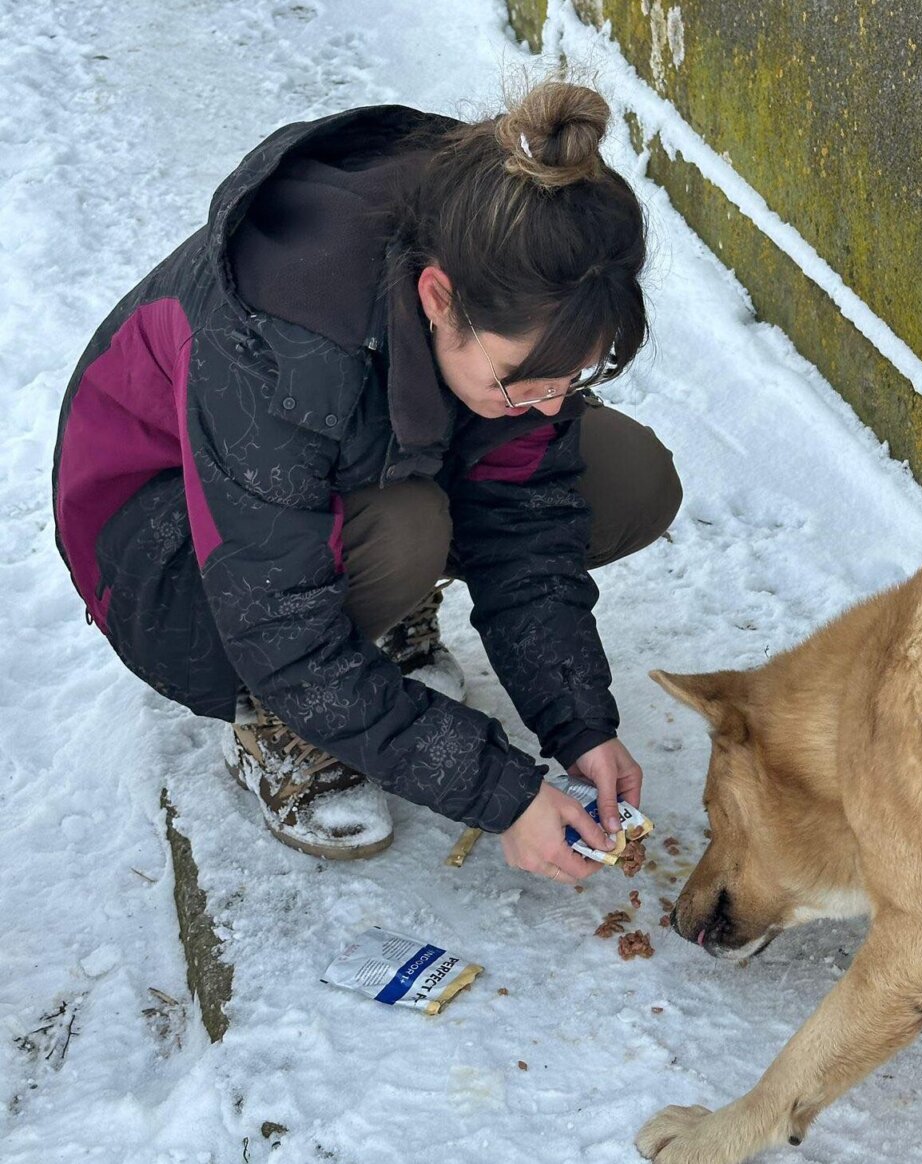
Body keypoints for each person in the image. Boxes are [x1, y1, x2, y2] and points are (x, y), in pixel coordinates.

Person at [52, 80, 682, 883]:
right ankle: (277, 724)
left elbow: (526, 522)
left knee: (626, 478)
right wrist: (504, 796)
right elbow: (279, 625)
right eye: (527, 377)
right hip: (163, 554)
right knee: (407, 528)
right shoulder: (282, 337)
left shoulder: (514, 252)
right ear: (437, 295)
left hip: (332, 466)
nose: (552, 402)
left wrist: (579, 724)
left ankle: (382, 619)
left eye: (576, 373)